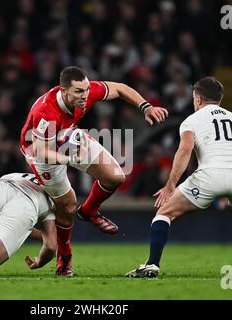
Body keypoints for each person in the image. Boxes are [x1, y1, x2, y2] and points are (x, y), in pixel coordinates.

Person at [126, 77, 232, 279]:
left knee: (164, 213)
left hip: (209, 177)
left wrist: (170, 185)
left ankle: (152, 264)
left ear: (197, 99)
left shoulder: (192, 121)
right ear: (220, 100)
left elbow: (185, 150)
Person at [20, 66, 168, 276]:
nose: (85, 95)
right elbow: (41, 151)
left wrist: (145, 107)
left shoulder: (87, 93)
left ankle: (89, 210)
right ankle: (65, 256)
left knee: (115, 177)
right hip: (38, 149)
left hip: (65, 135)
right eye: (79, 91)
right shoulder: (46, 111)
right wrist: (68, 159)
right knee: (67, 205)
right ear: (64, 92)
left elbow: (120, 88)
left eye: (87, 89)